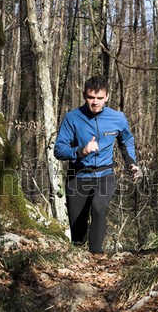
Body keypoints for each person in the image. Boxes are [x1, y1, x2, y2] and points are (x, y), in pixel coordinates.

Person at [54, 75, 141, 254]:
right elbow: (58, 150)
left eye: (99, 98)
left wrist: (131, 162)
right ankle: (80, 263)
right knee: (77, 233)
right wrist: (80, 151)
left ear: (107, 96)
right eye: (91, 97)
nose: (95, 102)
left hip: (104, 175)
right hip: (77, 176)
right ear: (84, 96)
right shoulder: (73, 117)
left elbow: (126, 141)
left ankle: (97, 255)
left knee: (98, 206)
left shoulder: (117, 118)